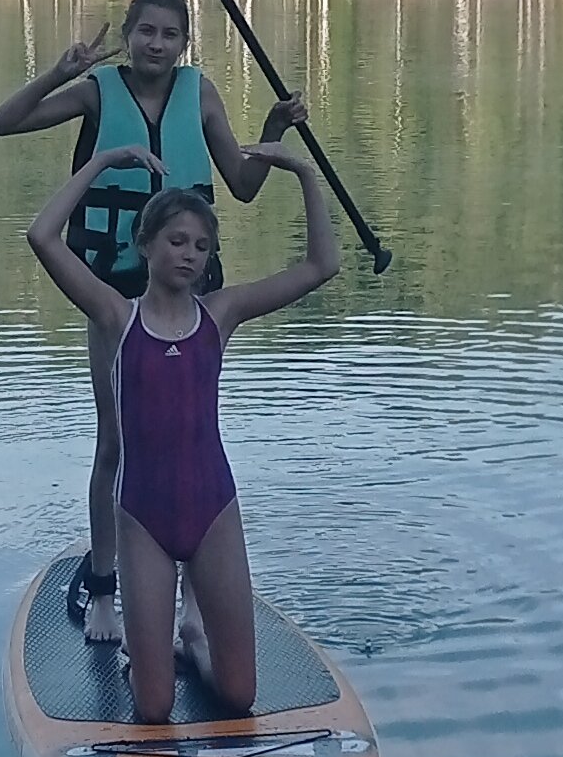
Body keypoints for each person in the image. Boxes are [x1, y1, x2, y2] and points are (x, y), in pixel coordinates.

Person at [0, 0, 302, 645]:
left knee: (186, 442)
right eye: (146, 32)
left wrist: (272, 132)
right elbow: (2, 123)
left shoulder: (203, 93)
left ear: (184, 43)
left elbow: (241, 186)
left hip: (186, 297)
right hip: (113, 295)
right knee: (118, 440)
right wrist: (60, 72)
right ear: (128, 35)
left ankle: (189, 598)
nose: (156, 44)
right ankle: (104, 591)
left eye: (169, 34)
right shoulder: (97, 93)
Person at [25, 112, 338, 725]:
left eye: (201, 246)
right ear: (146, 245)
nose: (189, 255)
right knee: (153, 705)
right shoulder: (117, 317)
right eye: (176, 241)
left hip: (214, 509)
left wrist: (303, 172)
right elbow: (42, 237)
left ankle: (192, 635)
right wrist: (102, 162)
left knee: (239, 694)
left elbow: (320, 267)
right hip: (142, 517)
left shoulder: (221, 314)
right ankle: (160, 638)